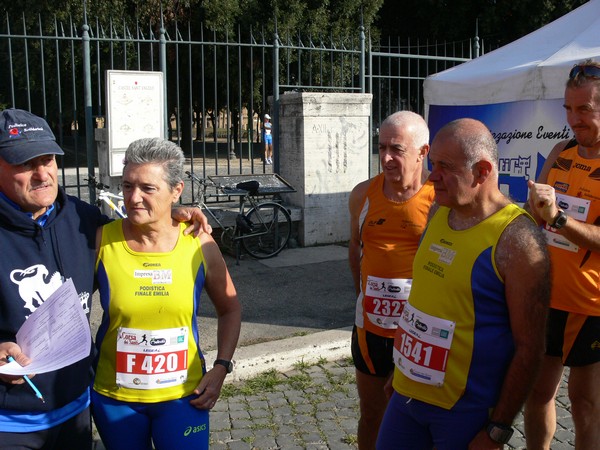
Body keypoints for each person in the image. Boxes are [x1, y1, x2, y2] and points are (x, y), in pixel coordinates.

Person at [0, 108, 210, 449]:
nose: (42, 174)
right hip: (9, 423)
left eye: (48, 159)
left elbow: (137, 224)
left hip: (75, 412)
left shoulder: (84, 222)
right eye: (25, 163)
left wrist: (168, 212)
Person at [377, 118, 550, 449]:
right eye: (432, 164)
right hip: (406, 395)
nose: (432, 176)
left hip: (464, 413)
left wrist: (497, 429)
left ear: (482, 172)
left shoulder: (518, 241)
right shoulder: (439, 212)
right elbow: (425, 299)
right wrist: (400, 368)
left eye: (445, 166)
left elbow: (530, 348)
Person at [91, 137, 242, 450]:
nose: (133, 197)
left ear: (177, 190)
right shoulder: (102, 240)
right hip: (114, 397)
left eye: (148, 188)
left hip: (183, 396)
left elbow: (230, 309)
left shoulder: (199, 244)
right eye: (127, 185)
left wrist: (221, 367)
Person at [524, 60, 600, 449]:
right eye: (568, 109)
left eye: (584, 109)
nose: (573, 119)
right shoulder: (561, 149)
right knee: (537, 395)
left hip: (591, 305)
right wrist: (534, 207)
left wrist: (558, 219)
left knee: (586, 405)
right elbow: (536, 213)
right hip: (547, 295)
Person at [348, 110, 434, 449]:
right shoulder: (362, 195)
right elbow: (355, 249)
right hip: (371, 330)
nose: (385, 157)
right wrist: (362, 294)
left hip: (422, 332)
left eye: (396, 149)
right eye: (381, 146)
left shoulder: (439, 201)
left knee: (419, 417)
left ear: (422, 152)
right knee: (372, 414)